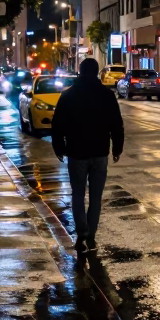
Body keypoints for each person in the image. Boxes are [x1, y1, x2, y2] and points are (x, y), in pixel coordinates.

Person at [51, 56, 124, 254]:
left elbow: (57, 125)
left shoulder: (68, 95)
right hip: (100, 152)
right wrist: (117, 148)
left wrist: (59, 147)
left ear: (80, 73)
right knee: (96, 197)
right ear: (97, 73)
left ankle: (82, 230)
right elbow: (116, 124)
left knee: (77, 194)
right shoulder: (106, 95)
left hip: (76, 152)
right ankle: (91, 235)